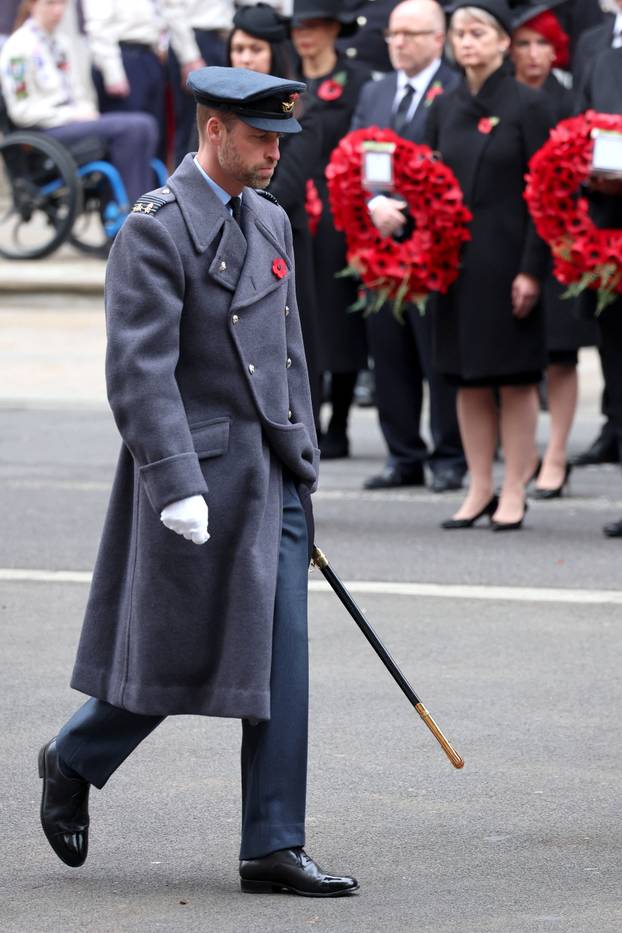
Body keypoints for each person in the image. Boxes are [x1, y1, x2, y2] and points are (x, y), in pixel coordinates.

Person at [37, 65, 359, 897]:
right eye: (259, 138)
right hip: (195, 471)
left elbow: (290, 353)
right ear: (213, 129)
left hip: (270, 471)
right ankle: (73, 755)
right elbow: (139, 372)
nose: (273, 155)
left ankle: (272, 843)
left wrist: (303, 452)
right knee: (181, 652)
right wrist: (174, 480)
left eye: (281, 140)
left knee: (278, 658)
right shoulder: (154, 227)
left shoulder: (273, 219)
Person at [424, 0, 552, 531]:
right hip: (454, 265)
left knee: (515, 380)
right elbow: (426, 182)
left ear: (503, 41)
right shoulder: (444, 106)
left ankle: (515, 487)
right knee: (466, 378)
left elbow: (545, 195)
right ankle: (479, 486)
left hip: (508, 260)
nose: (466, 41)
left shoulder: (527, 104)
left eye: (478, 32)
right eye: (458, 33)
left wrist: (531, 269)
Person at [351, 0, 466, 492]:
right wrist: (375, 203)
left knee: (436, 352)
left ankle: (449, 454)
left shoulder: (457, 90)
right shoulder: (376, 92)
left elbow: (458, 167)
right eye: (393, 34)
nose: (397, 42)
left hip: (434, 244)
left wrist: (414, 210)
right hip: (381, 242)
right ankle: (403, 454)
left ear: (438, 39)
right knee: (388, 351)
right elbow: (352, 156)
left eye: (410, 34)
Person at [510, 4, 597, 498]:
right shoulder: (507, 99)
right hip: (518, 236)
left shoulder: (569, 97)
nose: (535, 54)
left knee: (561, 353)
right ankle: (524, 455)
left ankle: (558, 454)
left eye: (544, 43)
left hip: (563, 237)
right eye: (524, 43)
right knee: (520, 355)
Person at [227, 2, 322, 428]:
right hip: (229, 235)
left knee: (288, 342)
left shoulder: (301, 109)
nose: (244, 58)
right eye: (239, 48)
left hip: (278, 236)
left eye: (255, 49)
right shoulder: (217, 109)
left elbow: (287, 185)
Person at [291, 0, 373, 459]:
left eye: (316, 26)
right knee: (299, 316)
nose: (306, 35)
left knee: (340, 317)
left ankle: (338, 420)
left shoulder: (357, 81)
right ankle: (307, 417)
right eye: (300, 26)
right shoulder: (284, 79)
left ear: (334, 29)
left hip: (341, 212)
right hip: (293, 207)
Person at [0, 0, 158, 204]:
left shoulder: (59, 42)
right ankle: (132, 212)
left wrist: (85, 111)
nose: (58, 10)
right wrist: (72, 115)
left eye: (62, 4)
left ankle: (141, 204)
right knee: (133, 128)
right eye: (50, 4)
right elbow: (21, 112)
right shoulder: (19, 47)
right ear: (32, 5)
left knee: (146, 124)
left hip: (71, 123)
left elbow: (77, 90)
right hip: (45, 131)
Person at [570, 0, 622, 468]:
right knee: (613, 330)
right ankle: (616, 424)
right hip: (607, 213)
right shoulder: (599, 49)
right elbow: (578, 122)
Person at [81, 0, 168, 158]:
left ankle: (153, 182)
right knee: (130, 140)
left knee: (155, 134)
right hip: (123, 59)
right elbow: (98, 27)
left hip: (148, 55)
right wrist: (112, 73)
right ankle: (129, 183)